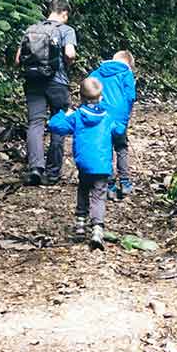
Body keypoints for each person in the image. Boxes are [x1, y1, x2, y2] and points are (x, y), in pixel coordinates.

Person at [46, 76, 124, 250]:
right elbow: (119, 130)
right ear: (101, 97)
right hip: (103, 165)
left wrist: (62, 113)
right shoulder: (107, 116)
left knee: (83, 189)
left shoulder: (77, 116)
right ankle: (97, 229)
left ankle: (80, 224)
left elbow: (54, 125)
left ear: (80, 98)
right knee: (99, 196)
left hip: (84, 164)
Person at [15, 0, 78, 184]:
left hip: (33, 82)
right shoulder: (66, 30)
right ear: (64, 13)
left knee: (35, 124)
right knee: (58, 122)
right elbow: (70, 54)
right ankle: (52, 172)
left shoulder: (32, 29)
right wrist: (67, 64)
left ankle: (35, 168)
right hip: (57, 82)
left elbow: (18, 59)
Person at [86, 50, 137, 199]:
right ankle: (125, 182)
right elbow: (131, 97)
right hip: (120, 116)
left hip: (101, 115)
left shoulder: (97, 72)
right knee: (121, 147)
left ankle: (110, 185)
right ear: (128, 63)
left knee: (106, 147)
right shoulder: (126, 73)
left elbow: (88, 90)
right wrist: (126, 116)